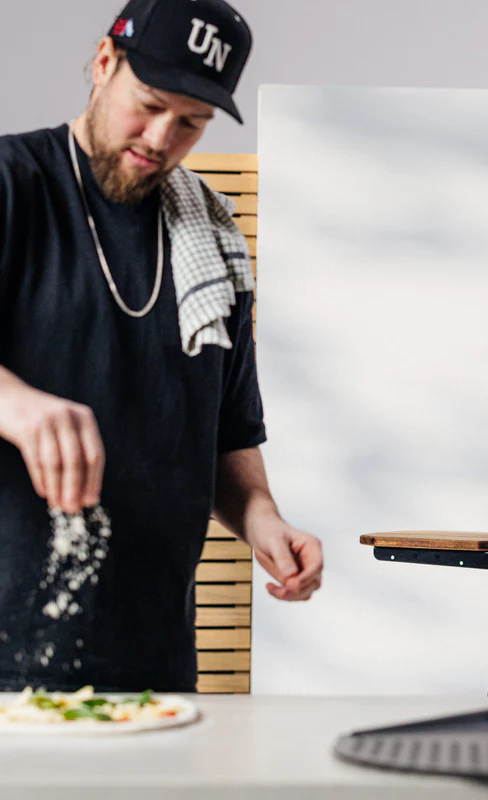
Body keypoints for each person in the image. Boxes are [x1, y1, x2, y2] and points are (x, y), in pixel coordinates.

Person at [0, 0, 323, 692]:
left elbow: (228, 434)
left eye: (190, 123)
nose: (160, 137)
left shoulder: (211, 238)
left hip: (156, 663)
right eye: (147, 105)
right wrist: (17, 404)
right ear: (103, 63)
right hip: (8, 656)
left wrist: (263, 520)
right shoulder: (12, 182)